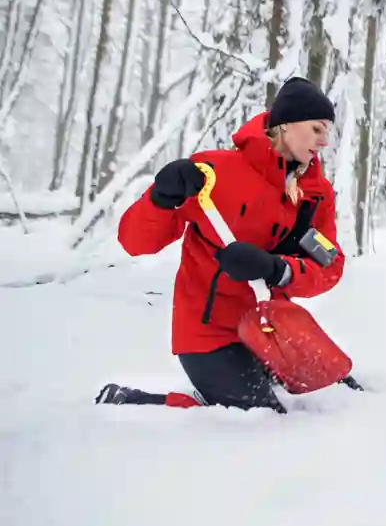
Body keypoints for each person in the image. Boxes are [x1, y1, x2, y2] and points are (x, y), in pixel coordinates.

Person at [95, 77, 346, 413]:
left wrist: (278, 269)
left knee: (338, 396)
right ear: (285, 126)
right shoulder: (214, 173)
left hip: (271, 331)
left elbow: (329, 268)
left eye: (327, 131)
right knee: (265, 418)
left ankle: (224, 388)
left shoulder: (317, 194)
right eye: (317, 129)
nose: (325, 140)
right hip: (210, 334)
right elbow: (135, 242)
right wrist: (160, 199)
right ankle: (137, 400)